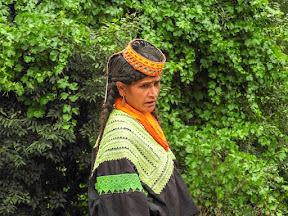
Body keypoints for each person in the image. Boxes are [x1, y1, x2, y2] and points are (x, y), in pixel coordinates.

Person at [88, 39, 199, 216]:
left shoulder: (142, 120)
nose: (153, 93)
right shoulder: (119, 139)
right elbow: (123, 208)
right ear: (122, 89)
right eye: (144, 86)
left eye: (156, 83)